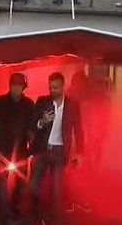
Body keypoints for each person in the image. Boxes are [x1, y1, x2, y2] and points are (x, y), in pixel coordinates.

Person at [30, 72, 84, 224]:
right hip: (42, 150)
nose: (52, 90)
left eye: (55, 87)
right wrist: (42, 121)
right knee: (33, 187)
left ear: (62, 86)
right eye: (50, 87)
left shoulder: (73, 104)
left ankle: (54, 220)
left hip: (60, 151)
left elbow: (78, 129)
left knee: (56, 191)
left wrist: (79, 153)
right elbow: (32, 125)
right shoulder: (42, 101)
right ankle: (36, 218)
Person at [0, 73, 36, 224]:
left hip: (21, 152)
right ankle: (3, 216)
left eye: (19, 86)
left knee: (21, 183)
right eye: (14, 85)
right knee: (1, 183)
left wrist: (34, 145)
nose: (16, 88)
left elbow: (32, 129)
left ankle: (14, 208)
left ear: (24, 88)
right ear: (9, 85)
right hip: (1, 151)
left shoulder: (29, 104)